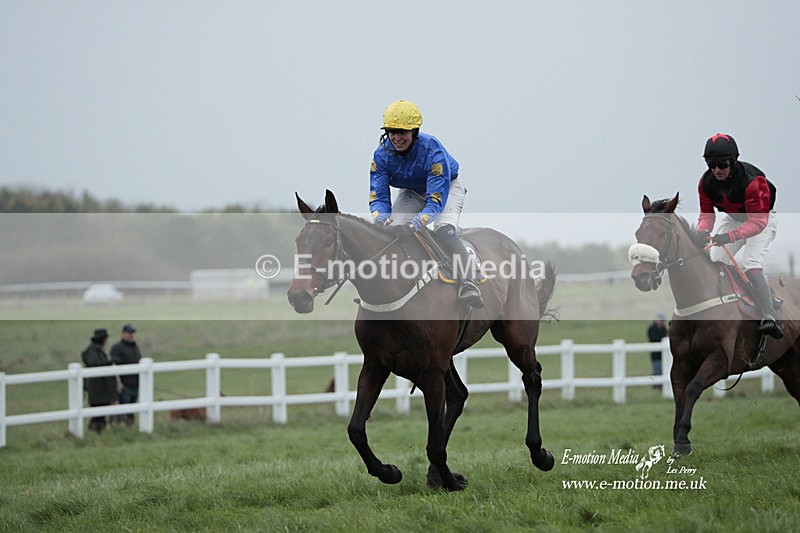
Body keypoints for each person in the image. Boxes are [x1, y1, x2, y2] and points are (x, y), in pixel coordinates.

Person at [369, 99, 484, 308]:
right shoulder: (381, 154)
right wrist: (379, 220)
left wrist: (413, 225)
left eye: (402, 132)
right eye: (391, 132)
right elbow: (379, 197)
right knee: (390, 231)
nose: (396, 138)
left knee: (444, 229)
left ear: (414, 132)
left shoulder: (433, 150)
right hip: (412, 191)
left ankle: (469, 281)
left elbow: (434, 202)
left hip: (446, 188)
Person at [697, 133, 782, 339]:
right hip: (734, 219)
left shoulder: (754, 182)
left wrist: (729, 237)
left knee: (750, 263)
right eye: (712, 164)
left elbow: (757, 223)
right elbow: (706, 215)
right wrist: (702, 233)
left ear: (733, 161)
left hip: (761, 220)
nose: (717, 170)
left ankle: (769, 314)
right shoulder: (705, 183)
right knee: (715, 261)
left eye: (723, 164)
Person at [80, 328, 119, 433]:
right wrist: (110, 362)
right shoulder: (93, 351)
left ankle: (97, 432)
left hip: (101, 390)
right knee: (98, 415)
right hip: (98, 390)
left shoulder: (97, 350)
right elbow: (95, 363)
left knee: (100, 415)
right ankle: (94, 432)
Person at [110, 323, 141, 426]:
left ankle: (129, 426)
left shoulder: (135, 347)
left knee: (132, 408)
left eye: (132, 333)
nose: (131, 335)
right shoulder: (117, 348)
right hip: (124, 384)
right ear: (123, 334)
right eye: (129, 333)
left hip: (135, 383)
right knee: (123, 407)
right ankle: (120, 426)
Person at [647, 313, 668, 378]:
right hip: (655, 354)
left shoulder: (664, 329)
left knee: (663, 370)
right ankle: (656, 385)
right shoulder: (651, 329)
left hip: (663, 354)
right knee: (656, 370)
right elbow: (653, 339)